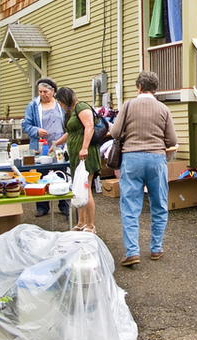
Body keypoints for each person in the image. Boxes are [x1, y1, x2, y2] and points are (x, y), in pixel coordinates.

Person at [108, 70, 178, 267]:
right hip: (156, 159)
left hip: (132, 158)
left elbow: (114, 132)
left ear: (139, 87)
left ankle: (132, 251)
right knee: (159, 204)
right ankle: (156, 248)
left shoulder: (128, 105)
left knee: (130, 206)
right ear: (155, 89)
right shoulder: (164, 109)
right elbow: (172, 140)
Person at [53, 87, 100, 233]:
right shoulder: (71, 112)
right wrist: (56, 143)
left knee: (86, 189)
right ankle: (81, 222)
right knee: (78, 189)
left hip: (86, 155)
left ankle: (90, 225)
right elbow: (70, 132)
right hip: (75, 157)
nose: (59, 105)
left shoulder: (81, 106)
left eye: (60, 101)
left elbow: (89, 126)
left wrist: (84, 147)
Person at [21, 78, 69, 219]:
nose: (43, 94)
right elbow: (26, 125)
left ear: (53, 91)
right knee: (41, 176)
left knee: (62, 174)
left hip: (59, 145)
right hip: (41, 146)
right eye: (40, 92)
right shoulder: (33, 106)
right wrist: (36, 131)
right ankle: (42, 207)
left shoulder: (60, 105)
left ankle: (64, 205)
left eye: (46, 92)